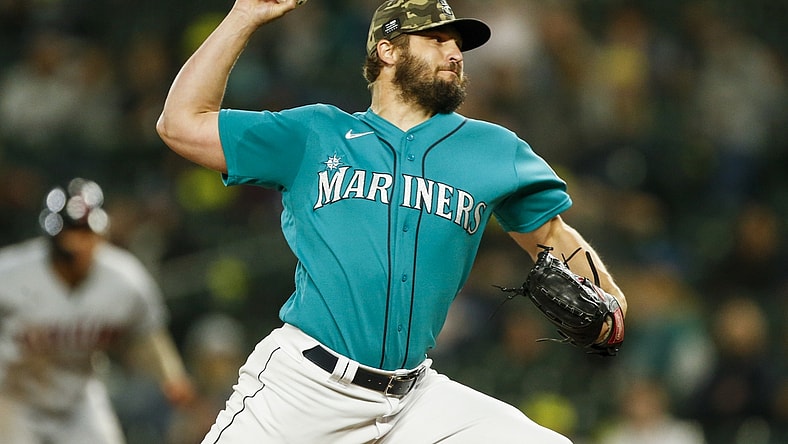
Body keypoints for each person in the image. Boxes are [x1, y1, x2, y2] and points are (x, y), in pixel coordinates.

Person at [156, 0, 628, 442]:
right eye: (438, 40)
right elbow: (180, 123)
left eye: (458, 44)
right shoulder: (315, 133)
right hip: (303, 387)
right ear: (387, 49)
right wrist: (243, 16)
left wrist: (612, 305)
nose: (455, 52)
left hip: (413, 399)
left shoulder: (494, 150)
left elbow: (552, 236)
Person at [0, 178, 194, 444]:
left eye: (85, 233)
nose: (79, 243)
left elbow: (147, 334)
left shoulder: (125, 279)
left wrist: (171, 375)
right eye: (72, 233)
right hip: (15, 398)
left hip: (79, 399)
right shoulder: (11, 273)